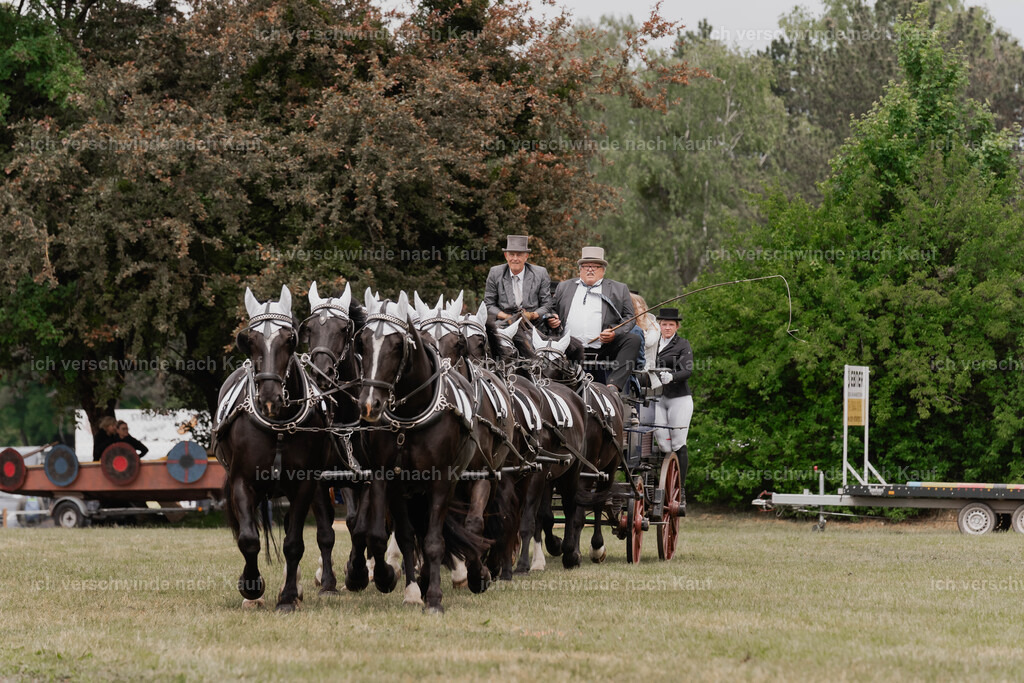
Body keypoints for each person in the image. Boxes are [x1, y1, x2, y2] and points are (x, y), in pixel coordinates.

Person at [547, 246, 640, 395]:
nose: (590, 270)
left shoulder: (619, 288)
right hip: (569, 347)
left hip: (603, 347)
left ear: (603, 270)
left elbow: (630, 318)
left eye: (595, 267)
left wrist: (614, 332)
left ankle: (614, 385)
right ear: (580, 269)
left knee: (633, 340)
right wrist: (552, 318)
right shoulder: (564, 287)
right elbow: (549, 309)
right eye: (586, 266)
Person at [651, 307, 693, 512]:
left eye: (671, 324)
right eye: (664, 324)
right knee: (662, 442)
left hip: (679, 398)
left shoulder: (682, 344)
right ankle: (661, 485)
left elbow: (687, 369)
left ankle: (681, 489)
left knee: (678, 442)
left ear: (677, 326)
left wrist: (672, 376)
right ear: (659, 325)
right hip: (658, 397)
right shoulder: (653, 343)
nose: (667, 327)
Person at [484, 234, 553, 325]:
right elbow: (489, 305)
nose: (515, 259)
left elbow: (547, 305)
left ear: (526, 256)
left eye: (519, 255)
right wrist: (506, 317)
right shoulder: (495, 273)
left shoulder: (540, 273)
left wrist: (531, 315)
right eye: (512, 255)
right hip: (503, 324)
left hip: (533, 325)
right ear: (506, 256)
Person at [630, 291, 660, 371]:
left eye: (638, 308)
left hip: (647, 374)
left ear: (644, 309)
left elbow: (648, 343)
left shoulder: (653, 326)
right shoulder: (628, 326)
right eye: (633, 308)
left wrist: (639, 328)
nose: (635, 311)